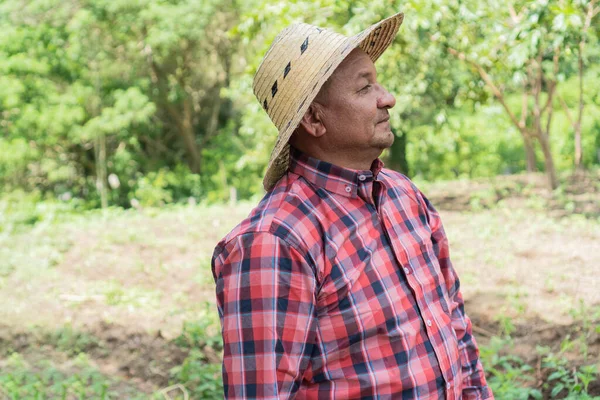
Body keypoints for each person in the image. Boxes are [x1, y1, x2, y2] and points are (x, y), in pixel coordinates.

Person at [212, 11, 493, 399]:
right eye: (364, 89)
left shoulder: (404, 197)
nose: (387, 99)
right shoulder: (273, 243)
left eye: (378, 84)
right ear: (313, 117)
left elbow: (454, 324)